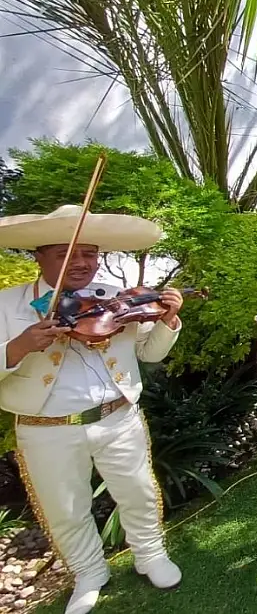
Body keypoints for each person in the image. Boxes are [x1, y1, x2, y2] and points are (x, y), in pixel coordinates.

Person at [0, 205, 185, 614]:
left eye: (90, 253)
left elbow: (147, 353)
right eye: (69, 254)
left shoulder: (112, 300)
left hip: (118, 416)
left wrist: (168, 321)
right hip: (46, 427)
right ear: (39, 256)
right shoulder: (6, 304)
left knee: (136, 490)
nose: (82, 263)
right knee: (65, 507)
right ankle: (88, 572)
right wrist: (20, 345)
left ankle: (150, 555)